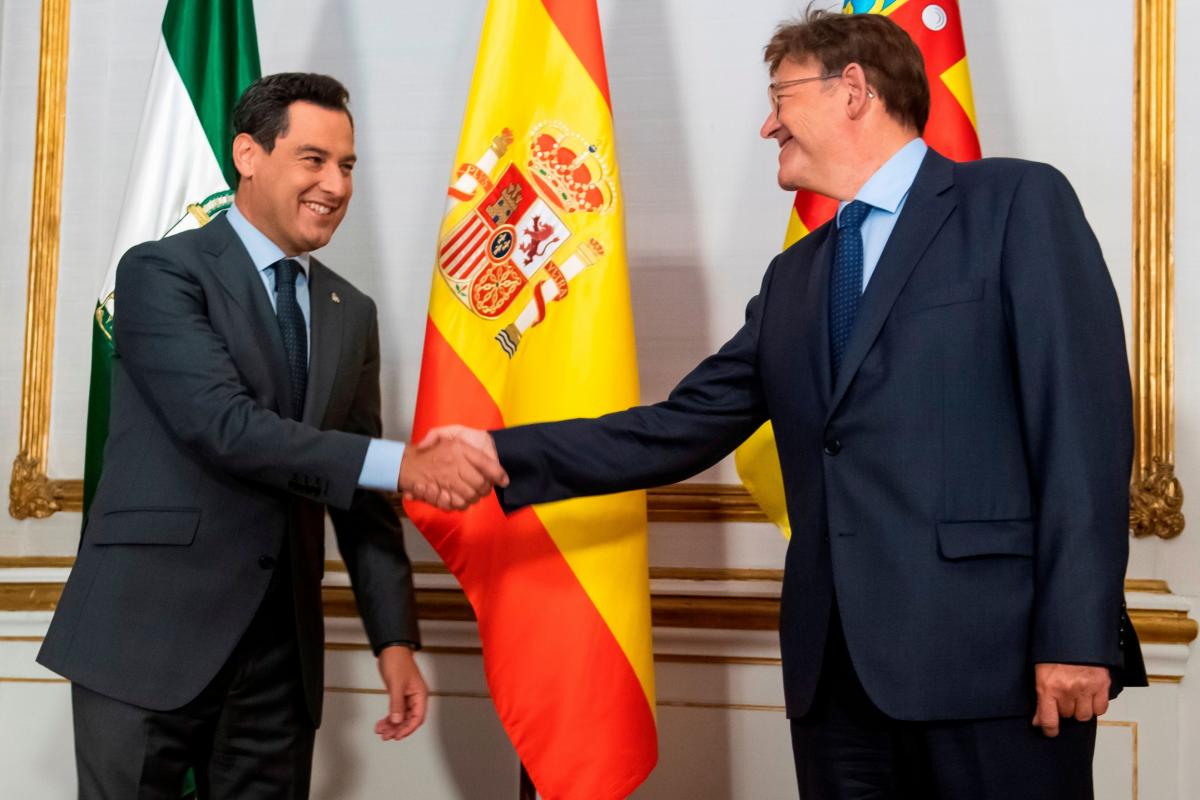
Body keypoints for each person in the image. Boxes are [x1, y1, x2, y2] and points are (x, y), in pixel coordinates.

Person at [419, 11, 1147, 799]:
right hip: (832, 683)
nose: (768, 124)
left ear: (853, 90)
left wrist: (1078, 636)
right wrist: (499, 451)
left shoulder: (1013, 203)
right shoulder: (796, 276)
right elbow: (680, 426)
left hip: (992, 670)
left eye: (781, 97)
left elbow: (1082, 428)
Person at [38, 73, 506, 798]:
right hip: (144, 636)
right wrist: (406, 464)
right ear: (248, 155)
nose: (336, 185)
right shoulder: (161, 272)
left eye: (347, 165)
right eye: (313, 159)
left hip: (279, 663)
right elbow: (224, 427)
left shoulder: (351, 311)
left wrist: (394, 640)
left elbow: (361, 496)